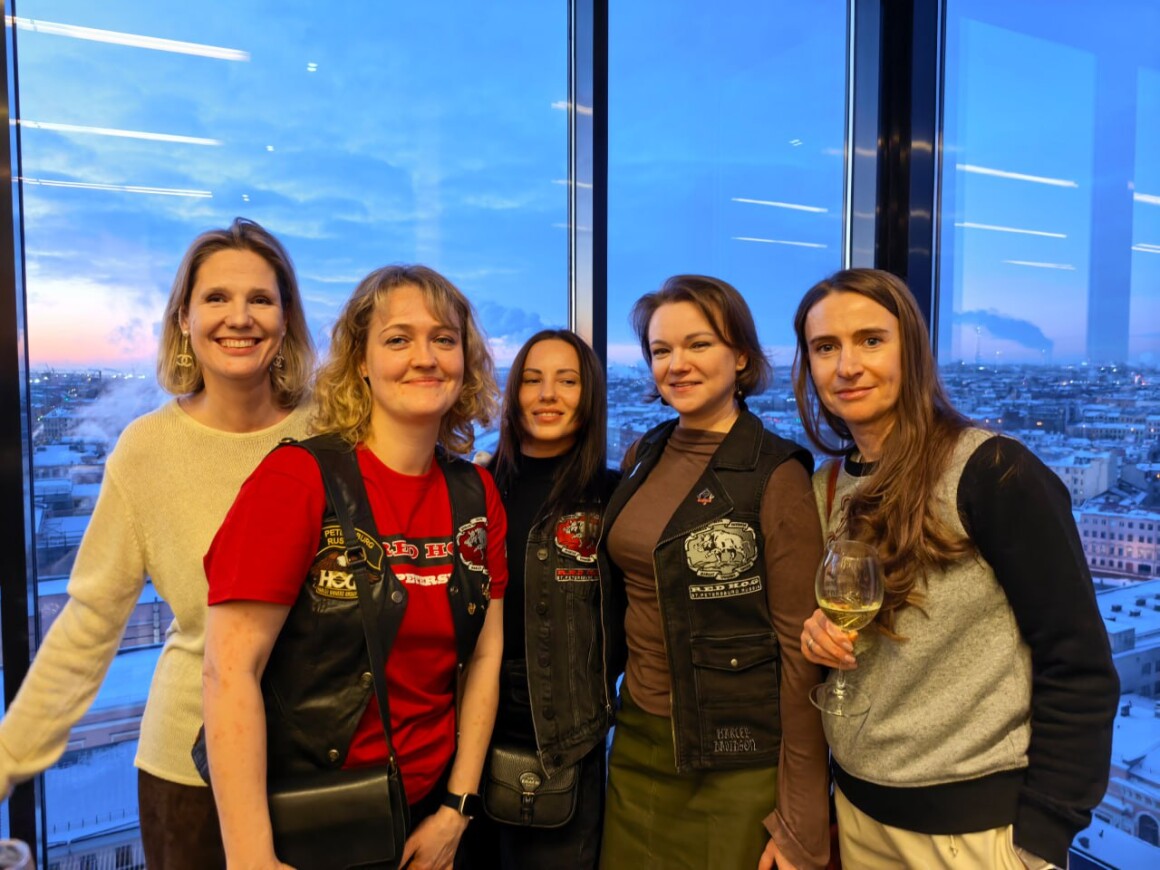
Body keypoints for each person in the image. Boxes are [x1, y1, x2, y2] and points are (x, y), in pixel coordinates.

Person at [0, 218, 315, 868]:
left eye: (260, 298)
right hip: (188, 766)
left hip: (324, 757)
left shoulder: (330, 432)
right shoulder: (147, 450)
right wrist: (6, 760)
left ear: (286, 320)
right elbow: (89, 623)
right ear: (183, 319)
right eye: (216, 297)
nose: (240, 317)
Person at [795, 268, 1120, 869]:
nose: (847, 366)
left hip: (976, 831)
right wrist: (817, 636)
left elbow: (1078, 660)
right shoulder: (827, 485)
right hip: (861, 812)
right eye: (825, 347)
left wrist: (1043, 833)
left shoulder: (992, 471)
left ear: (912, 351)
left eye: (871, 340)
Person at [202, 264, 507, 870]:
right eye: (398, 339)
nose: (425, 357)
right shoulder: (297, 479)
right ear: (361, 363)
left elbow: (485, 657)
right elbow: (228, 670)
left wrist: (457, 808)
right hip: (310, 819)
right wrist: (251, 858)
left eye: (444, 339)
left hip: (429, 816)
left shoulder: (476, 493)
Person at [598, 275, 830, 870]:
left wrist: (801, 817)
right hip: (637, 738)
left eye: (698, 344)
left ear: (741, 356)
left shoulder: (776, 476)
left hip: (735, 757)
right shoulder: (645, 453)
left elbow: (800, 653)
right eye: (661, 350)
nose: (677, 364)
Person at [464, 329, 622, 869]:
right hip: (464, 739)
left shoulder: (614, 496)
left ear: (590, 394)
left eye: (567, 381)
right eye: (532, 380)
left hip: (565, 744)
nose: (547, 394)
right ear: (514, 394)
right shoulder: (472, 488)